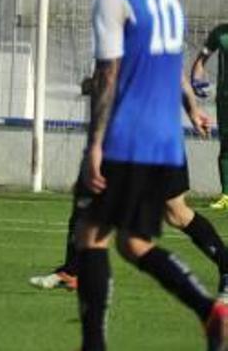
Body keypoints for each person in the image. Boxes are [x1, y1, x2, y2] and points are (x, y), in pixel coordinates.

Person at [74, 0, 228, 351]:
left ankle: (93, 346)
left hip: (129, 137)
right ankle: (209, 311)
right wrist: (191, 107)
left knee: (91, 235)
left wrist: (96, 145)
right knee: (135, 243)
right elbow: (173, 66)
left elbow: (108, 74)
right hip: (165, 142)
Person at [29, 78, 228, 296]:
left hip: (150, 135)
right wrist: (192, 110)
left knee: (174, 213)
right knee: (90, 194)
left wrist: (94, 86)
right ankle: (73, 270)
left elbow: (117, 76)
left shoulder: (129, 46)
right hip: (137, 132)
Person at [191, 24, 228, 210]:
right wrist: (196, 78)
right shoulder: (220, 33)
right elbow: (202, 58)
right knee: (226, 146)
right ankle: (226, 195)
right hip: (224, 99)